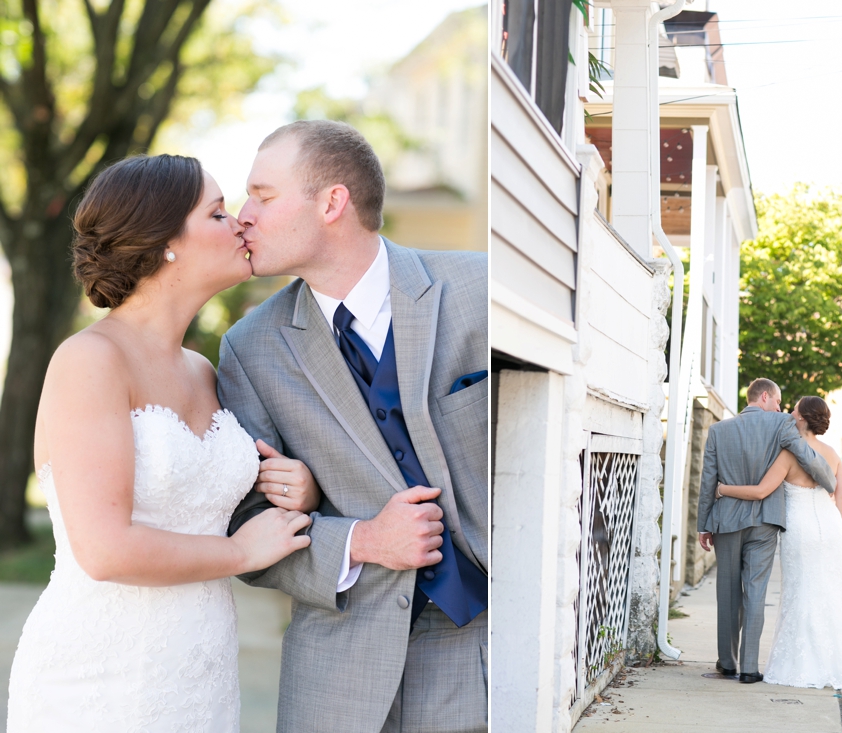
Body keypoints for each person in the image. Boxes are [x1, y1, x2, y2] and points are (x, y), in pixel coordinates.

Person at [6, 154, 322, 732]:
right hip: (98, 680)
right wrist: (241, 554)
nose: (241, 224)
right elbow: (104, 551)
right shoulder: (89, 361)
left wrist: (293, 485)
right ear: (164, 240)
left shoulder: (205, 370)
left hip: (201, 674)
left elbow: (213, 499)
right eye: (219, 212)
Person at [218, 120, 488, 733]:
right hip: (339, 676)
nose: (243, 216)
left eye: (262, 195)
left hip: (485, 651)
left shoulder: (480, 291)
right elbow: (246, 528)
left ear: (332, 201)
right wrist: (361, 541)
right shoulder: (249, 349)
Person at [715, 396, 842, 689]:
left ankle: (804, 665)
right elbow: (841, 498)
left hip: (800, 529)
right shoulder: (832, 454)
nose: (789, 413)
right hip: (830, 528)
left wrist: (723, 489)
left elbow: (760, 491)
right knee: (835, 591)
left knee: (801, 591)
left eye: (794, 410)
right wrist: (835, 531)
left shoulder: (790, 454)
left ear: (803, 419)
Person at [697, 378, 837, 683]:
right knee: (756, 591)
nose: (780, 407)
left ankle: (727, 662)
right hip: (765, 521)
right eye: (777, 401)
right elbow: (806, 455)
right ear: (764, 396)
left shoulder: (719, 430)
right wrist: (829, 478)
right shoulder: (782, 425)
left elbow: (708, 480)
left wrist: (703, 525)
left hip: (726, 520)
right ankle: (749, 667)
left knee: (727, 591)